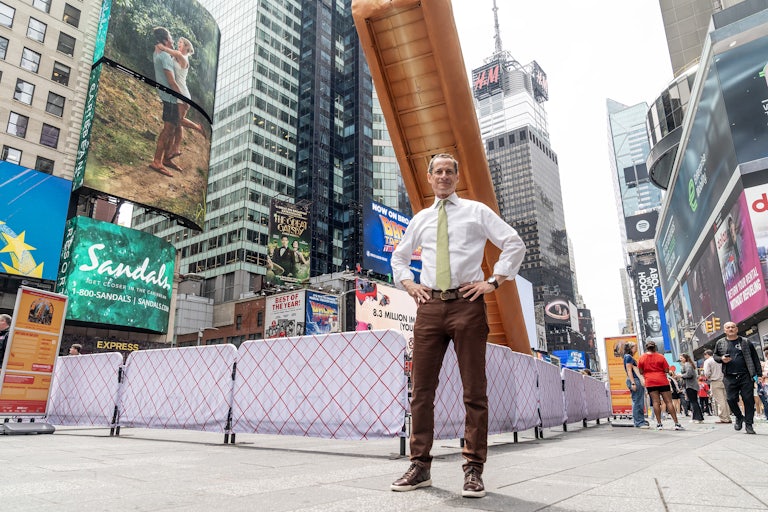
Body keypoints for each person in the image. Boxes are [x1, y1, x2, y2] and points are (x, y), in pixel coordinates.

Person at [389, 153, 525, 498]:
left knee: (474, 392)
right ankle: (419, 466)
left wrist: (493, 282)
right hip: (430, 306)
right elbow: (399, 257)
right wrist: (408, 284)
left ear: (457, 177)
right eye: (439, 171)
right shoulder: (420, 218)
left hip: (468, 304)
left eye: (450, 171)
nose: (445, 176)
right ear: (430, 178)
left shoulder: (477, 212)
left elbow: (513, 243)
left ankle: (474, 470)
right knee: (421, 390)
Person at [155, 35, 206, 160]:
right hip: (177, 93)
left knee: (178, 121)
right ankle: (174, 149)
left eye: (181, 42)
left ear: (187, 47)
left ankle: (197, 128)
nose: (178, 43)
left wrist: (162, 47)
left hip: (182, 94)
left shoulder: (183, 58)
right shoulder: (177, 56)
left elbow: (172, 52)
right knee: (177, 124)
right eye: (178, 42)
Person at [713, 322, 762, 434]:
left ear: (737, 329)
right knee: (730, 399)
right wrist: (721, 358)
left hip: (745, 376)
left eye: (733, 327)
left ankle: (749, 424)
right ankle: (739, 417)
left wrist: (758, 375)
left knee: (748, 400)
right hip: (729, 376)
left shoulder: (745, 341)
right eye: (728, 327)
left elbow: (755, 358)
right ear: (724, 330)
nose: (730, 329)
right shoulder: (720, 343)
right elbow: (715, 356)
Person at [149, 26, 183, 177]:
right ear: (164, 40)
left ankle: (166, 158)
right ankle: (157, 161)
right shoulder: (164, 57)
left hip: (166, 96)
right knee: (168, 129)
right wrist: (182, 97)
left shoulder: (158, 53)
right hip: (170, 97)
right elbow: (171, 81)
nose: (172, 40)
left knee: (174, 127)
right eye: (170, 38)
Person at [638, 340, 683, 430]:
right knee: (669, 402)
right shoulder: (661, 357)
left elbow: (641, 371)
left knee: (655, 402)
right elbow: (666, 370)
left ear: (646, 348)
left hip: (650, 382)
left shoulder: (642, 358)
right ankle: (676, 423)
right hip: (662, 380)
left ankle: (659, 424)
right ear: (655, 347)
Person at [623, 341, 649, 429]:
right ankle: (639, 422)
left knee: (638, 401)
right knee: (638, 401)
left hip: (635, 380)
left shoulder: (629, 357)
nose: (636, 349)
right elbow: (629, 370)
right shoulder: (628, 357)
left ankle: (640, 420)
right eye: (635, 347)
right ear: (630, 348)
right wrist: (633, 383)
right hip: (634, 380)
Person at [703, 349, 730, 423]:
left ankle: (724, 418)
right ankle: (728, 416)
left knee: (720, 401)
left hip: (715, 381)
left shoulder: (708, 361)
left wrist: (708, 377)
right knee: (725, 400)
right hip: (725, 380)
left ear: (706, 355)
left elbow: (707, 373)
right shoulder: (721, 359)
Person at [679, 353, 704, 424]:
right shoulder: (689, 364)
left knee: (693, 402)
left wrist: (681, 375)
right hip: (691, 385)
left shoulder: (687, 364)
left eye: (681, 358)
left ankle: (697, 418)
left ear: (685, 358)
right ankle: (697, 417)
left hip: (690, 385)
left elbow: (689, 374)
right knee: (694, 401)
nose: (680, 360)